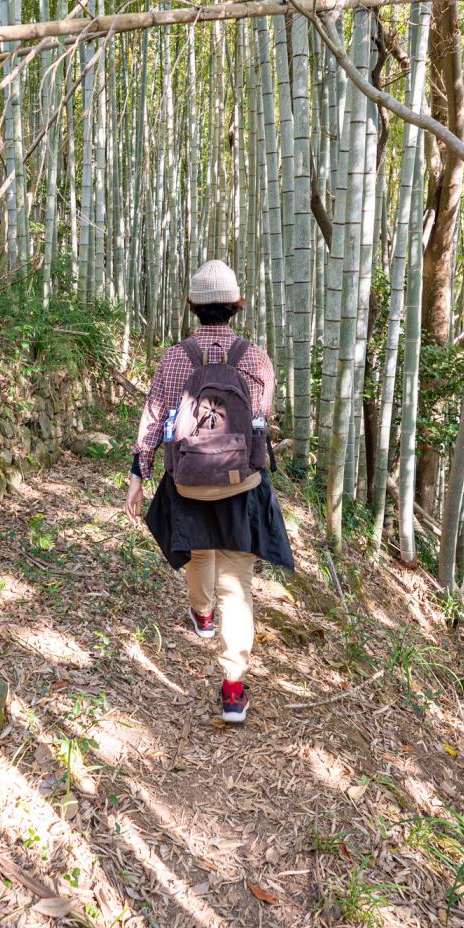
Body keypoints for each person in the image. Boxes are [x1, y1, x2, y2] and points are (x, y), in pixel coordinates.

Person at [124, 259, 294, 724]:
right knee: (237, 585)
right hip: (242, 485)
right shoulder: (255, 358)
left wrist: (139, 476)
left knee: (199, 554)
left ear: (194, 307)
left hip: (188, 483)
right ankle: (234, 689)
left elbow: (154, 420)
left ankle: (202, 616)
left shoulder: (175, 358)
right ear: (237, 306)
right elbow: (259, 421)